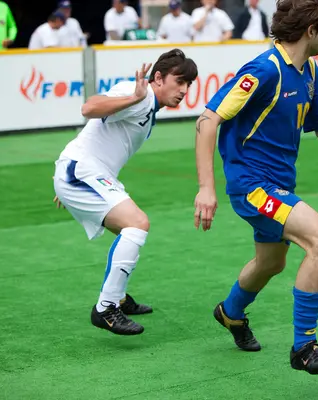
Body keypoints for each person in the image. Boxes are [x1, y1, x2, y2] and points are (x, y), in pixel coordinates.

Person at [193, 0, 318, 374]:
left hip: (277, 186)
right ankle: (304, 347)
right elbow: (208, 118)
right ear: (310, 31)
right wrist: (206, 187)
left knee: (270, 263)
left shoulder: (309, 69)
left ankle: (230, 313)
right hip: (253, 188)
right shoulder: (264, 70)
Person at [53, 49, 198, 335]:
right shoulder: (139, 95)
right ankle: (106, 308)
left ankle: (117, 297)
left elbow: (98, 136)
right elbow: (89, 108)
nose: (184, 90)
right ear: (158, 77)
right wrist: (134, 96)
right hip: (81, 173)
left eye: (189, 84)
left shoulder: (147, 104)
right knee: (137, 223)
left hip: (84, 174)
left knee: (129, 232)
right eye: (179, 81)